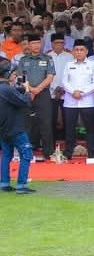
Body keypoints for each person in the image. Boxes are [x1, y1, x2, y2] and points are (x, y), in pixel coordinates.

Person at [0, 59, 36, 193]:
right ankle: (21, 185)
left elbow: (13, 94)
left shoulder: (5, 88)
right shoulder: (7, 89)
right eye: (14, 74)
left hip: (3, 128)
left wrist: (20, 89)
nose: (15, 76)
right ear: (7, 74)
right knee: (26, 154)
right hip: (15, 128)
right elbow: (25, 101)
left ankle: (4, 183)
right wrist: (26, 89)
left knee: (6, 155)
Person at [16, 33, 54, 158]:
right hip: (27, 94)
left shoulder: (47, 58)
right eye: (33, 43)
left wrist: (37, 89)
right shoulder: (23, 60)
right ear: (29, 45)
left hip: (43, 94)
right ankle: (27, 152)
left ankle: (48, 153)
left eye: (38, 43)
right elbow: (20, 78)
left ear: (41, 44)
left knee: (46, 123)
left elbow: (50, 77)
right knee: (27, 124)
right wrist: (30, 90)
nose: (36, 45)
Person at [62, 40, 94, 159]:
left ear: (87, 51)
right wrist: (73, 91)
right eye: (76, 50)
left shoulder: (93, 64)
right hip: (70, 102)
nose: (79, 52)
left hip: (88, 102)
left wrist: (82, 92)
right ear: (73, 51)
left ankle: (91, 153)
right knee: (69, 129)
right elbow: (64, 81)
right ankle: (68, 153)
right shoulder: (68, 64)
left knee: (90, 129)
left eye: (81, 50)